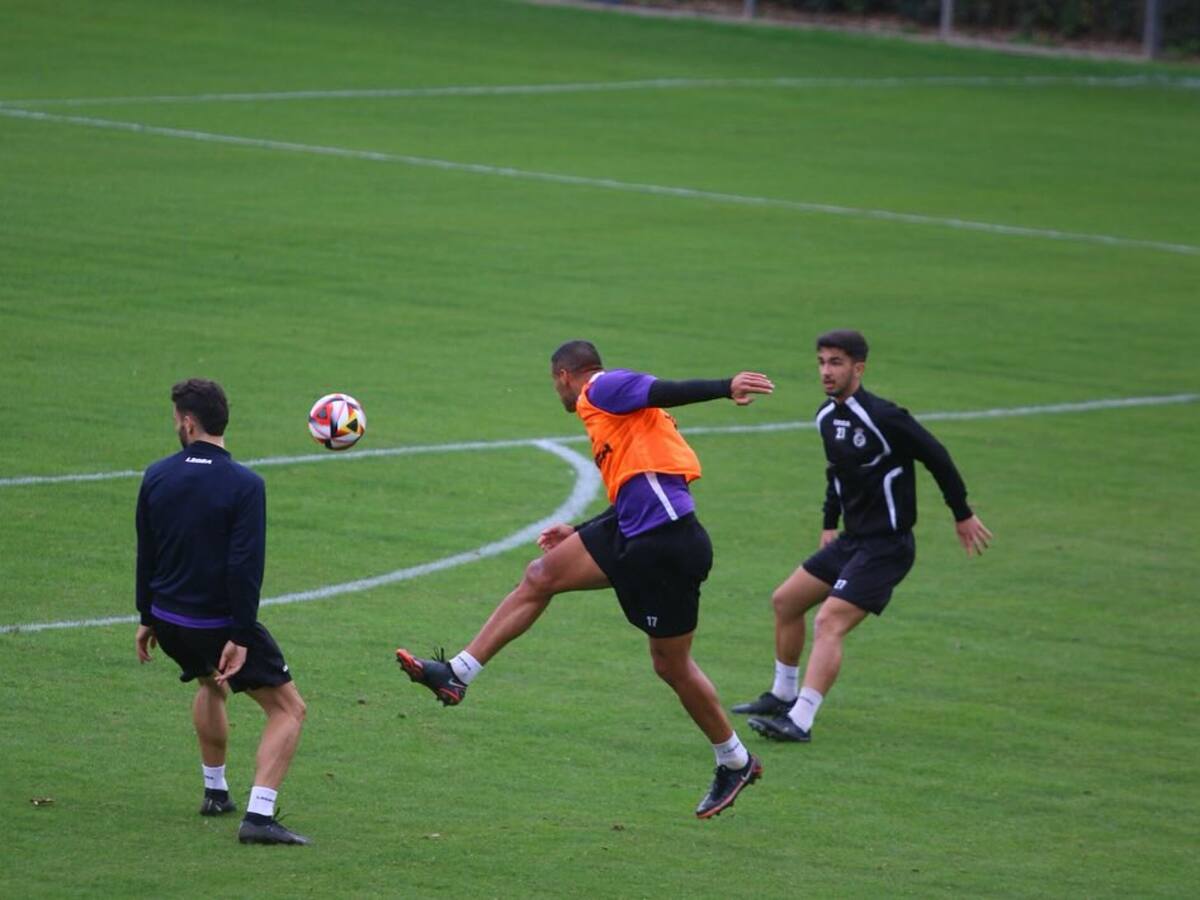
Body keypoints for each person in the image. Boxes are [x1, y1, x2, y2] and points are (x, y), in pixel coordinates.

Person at [396, 341, 775, 818]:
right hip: (637, 530)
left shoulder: (602, 387)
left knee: (672, 666)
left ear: (563, 376)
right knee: (540, 576)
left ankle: (734, 760)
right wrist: (580, 531)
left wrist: (725, 387)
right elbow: (638, 493)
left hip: (667, 545)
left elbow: (661, 389)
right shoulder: (614, 420)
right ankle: (457, 674)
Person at [735, 329, 992, 743]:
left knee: (829, 621)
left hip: (887, 546)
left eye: (835, 363)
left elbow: (936, 456)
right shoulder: (827, 417)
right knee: (786, 601)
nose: (826, 371)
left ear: (859, 368)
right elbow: (837, 474)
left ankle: (800, 719)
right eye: (821, 362)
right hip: (851, 541)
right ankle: (783, 694)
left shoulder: (886, 417)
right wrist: (828, 524)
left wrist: (961, 513)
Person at [135, 378, 310, 845]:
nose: (176, 425)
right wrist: (242, 633)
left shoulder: (157, 475)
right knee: (289, 710)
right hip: (216, 623)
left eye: (176, 418)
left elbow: (147, 551)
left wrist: (145, 617)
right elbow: (245, 566)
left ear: (188, 423)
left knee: (210, 683)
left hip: (170, 620)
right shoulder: (245, 485)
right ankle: (259, 817)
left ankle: (216, 793)